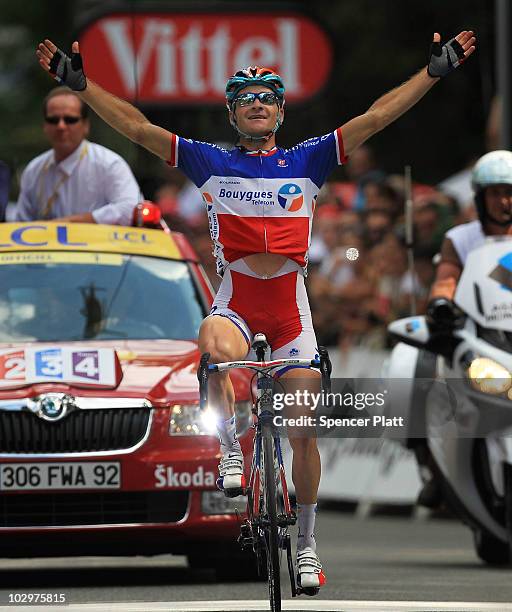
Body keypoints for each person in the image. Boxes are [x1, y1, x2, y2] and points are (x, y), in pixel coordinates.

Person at [35, 30, 475, 590]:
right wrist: (83, 86)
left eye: (268, 98)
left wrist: (432, 74)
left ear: (281, 112)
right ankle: (228, 450)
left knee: (302, 430)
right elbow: (138, 128)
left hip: (291, 312)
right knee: (213, 344)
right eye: (247, 99)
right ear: (234, 113)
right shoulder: (208, 160)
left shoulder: (309, 158)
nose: (258, 104)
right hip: (237, 304)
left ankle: (308, 546)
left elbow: (375, 117)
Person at [418, 150, 512, 509]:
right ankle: (430, 467)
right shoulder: (461, 238)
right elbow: (446, 280)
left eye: (510, 192)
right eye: (495, 192)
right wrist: (441, 302)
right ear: (480, 197)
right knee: (418, 366)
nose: (505, 201)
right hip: (479, 335)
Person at [14, 86, 141, 224]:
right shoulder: (34, 170)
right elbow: (21, 224)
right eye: (53, 120)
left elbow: (131, 209)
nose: (61, 126)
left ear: (86, 125)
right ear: (45, 126)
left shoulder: (110, 164)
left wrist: (73, 222)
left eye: (70, 119)